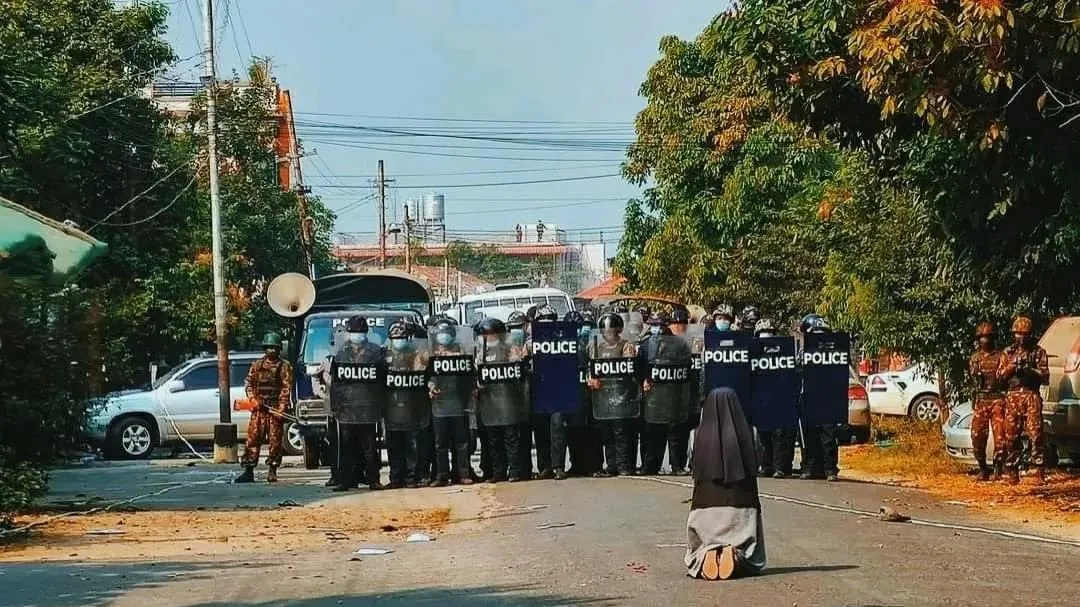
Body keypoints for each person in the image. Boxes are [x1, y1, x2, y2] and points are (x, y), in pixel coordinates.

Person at [685, 388, 766, 580]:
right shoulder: (751, 433)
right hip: (742, 506)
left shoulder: (694, 436)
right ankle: (737, 554)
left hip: (704, 508)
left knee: (697, 547)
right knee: (749, 549)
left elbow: (691, 464)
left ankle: (706, 552)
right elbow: (759, 461)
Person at [322, 316, 384, 491]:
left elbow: (382, 380)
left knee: (370, 448)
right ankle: (345, 480)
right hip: (347, 408)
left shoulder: (375, 351)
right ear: (349, 334)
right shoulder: (341, 353)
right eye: (354, 332)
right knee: (346, 448)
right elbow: (335, 383)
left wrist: (380, 406)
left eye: (360, 332)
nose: (357, 335)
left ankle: (373, 479)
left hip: (368, 408)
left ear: (366, 333)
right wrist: (335, 406)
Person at [417, 318, 475, 486]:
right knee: (440, 443)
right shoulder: (430, 354)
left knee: (461, 442)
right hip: (439, 404)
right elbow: (423, 375)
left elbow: (471, 375)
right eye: (441, 335)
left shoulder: (462, 352)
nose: (444, 338)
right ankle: (442, 475)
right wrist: (429, 384)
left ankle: (463, 474)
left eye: (447, 335)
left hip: (459, 402)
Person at [997, 316, 1050, 485]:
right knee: (1011, 436)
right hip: (1013, 397)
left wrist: (1029, 369)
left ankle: (1038, 471)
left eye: (1025, 334)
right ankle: (1012, 471)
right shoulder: (1008, 352)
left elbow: (1045, 376)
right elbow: (999, 377)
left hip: (1031, 395)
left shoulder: (1038, 352)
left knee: (1036, 435)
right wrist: (1012, 365)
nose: (1021, 337)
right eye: (1018, 334)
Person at [236, 332, 294, 484]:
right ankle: (248, 470)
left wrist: (282, 406)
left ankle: (272, 470)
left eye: (275, 348)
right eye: (269, 348)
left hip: (274, 408)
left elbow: (286, 387)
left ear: (279, 349)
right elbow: (248, 383)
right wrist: (253, 399)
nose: (272, 351)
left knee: (275, 441)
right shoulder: (256, 365)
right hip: (259, 409)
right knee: (253, 439)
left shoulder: (284, 366)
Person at [638, 312, 692, 475]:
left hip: (674, 393)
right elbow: (638, 367)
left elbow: (687, 367)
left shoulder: (680, 344)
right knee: (653, 432)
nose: (657, 328)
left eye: (660, 325)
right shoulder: (646, 345)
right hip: (654, 396)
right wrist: (643, 380)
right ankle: (650, 466)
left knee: (676, 432)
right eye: (654, 325)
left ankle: (677, 466)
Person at [587, 312, 639, 476]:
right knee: (607, 434)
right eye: (605, 331)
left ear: (619, 330)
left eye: (611, 330)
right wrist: (591, 379)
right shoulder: (596, 347)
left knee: (621, 432)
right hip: (603, 398)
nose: (608, 334)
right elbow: (591, 369)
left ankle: (624, 466)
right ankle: (611, 466)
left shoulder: (626, 345)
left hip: (621, 395)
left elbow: (630, 368)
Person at [475, 317, 527, 482]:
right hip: (489, 402)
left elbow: (518, 371)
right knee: (493, 440)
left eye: (491, 334)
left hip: (507, 401)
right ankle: (498, 473)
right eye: (485, 335)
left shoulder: (509, 349)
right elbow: (477, 373)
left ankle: (514, 471)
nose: (488, 338)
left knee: (510, 438)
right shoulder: (481, 351)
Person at [384, 321, 429, 489]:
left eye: (402, 337)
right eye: (395, 338)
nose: (399, 341)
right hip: (392, 408)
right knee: (394, 446)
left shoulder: (418, 355)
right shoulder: (384, 356)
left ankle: (412, 478)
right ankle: (396, 478)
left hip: (414, 407)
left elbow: (427, 377)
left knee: (413, 446)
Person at [797, 313, 840, 481]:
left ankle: (830, 469)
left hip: (828, 397)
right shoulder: (802, 352)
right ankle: (808, 467)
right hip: (808, 397)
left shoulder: (834, 350)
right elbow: (797, 370)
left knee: (828, 435)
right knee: (808, 435)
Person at [524, 303, 561, 480]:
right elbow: (521, 364)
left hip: (558, 390)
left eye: (550, 320)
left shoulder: (564, 340)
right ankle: (544, 466)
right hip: (537, 389)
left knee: (557, 428)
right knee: (540, 430)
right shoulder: (530, 344)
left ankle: (558, 466)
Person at [969, 321, 1007, 481]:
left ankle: (998, 469)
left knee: (1001, 438)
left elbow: (1004, 376)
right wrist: (976, 374)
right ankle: (983, 469)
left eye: (988, 337)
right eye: (982, 337)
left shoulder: (1001, 356)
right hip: (982, 400)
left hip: (998, 400)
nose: (985, 340)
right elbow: (973, 378)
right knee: (977, 436)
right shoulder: (975, 358)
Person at [667, 306, 696, 476]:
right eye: (675, 323)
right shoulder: (663, 343)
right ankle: (675, 465)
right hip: (668, 393)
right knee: (673, 431)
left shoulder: (694, 342)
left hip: (689, 391)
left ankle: (683, 464)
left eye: (682, 323)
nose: (679, 327)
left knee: (684, 430)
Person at [752, 318, 779, 477]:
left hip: (778, 398)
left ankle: (779, 466)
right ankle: (766, 464)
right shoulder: (753, 353)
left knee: (778, 434)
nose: (766, 336)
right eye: (763, 334)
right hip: (760, 398)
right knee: (763, 434)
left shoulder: (781, 351)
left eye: (769, 333)